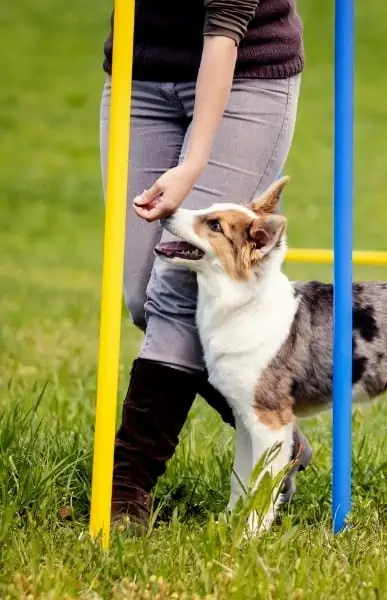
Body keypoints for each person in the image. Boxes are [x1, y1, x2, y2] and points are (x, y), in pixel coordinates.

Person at [100, 0, 312, 527]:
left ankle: (125, 491)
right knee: (141, 296)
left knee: (174, 292)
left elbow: (223, 32)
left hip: (245, 73)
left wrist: (191, 166)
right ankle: (276, 435)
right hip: (140, 73)